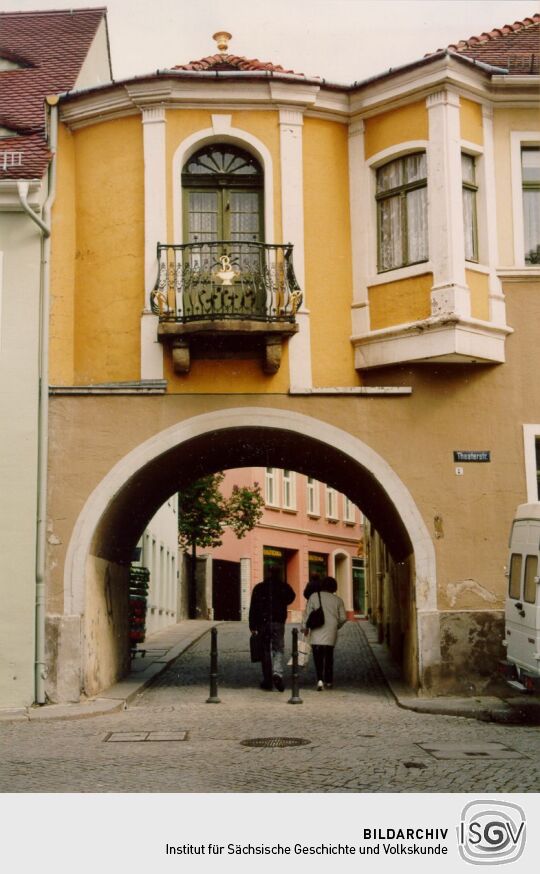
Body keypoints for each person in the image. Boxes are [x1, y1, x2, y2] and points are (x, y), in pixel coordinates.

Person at [249, 566, 295, 692]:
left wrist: (252, 625)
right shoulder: (283, 586)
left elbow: (253, 607)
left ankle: (267, 680)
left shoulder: (259, 587)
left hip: (263, 622)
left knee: (265, 650)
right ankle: (277, 673)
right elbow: (292, 597)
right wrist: (281, 601)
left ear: (266, 574)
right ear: (279, 574)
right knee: (278, 648)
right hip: (278, 621)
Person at [302, 575, 346, 690]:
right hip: (331, 630)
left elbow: (307, 614)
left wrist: (304, 627)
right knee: (329, 656)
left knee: (318, 657)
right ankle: (329, 681)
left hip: (317, 629)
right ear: (334, 587)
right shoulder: (338, 600)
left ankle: (320, 680)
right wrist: (336, 625)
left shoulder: (314, 596)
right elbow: (343, 618)